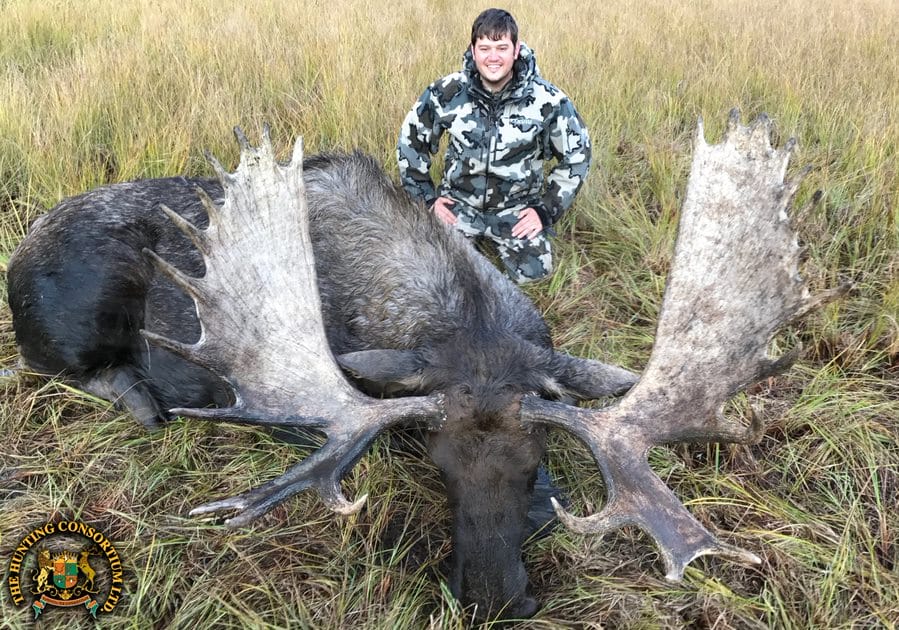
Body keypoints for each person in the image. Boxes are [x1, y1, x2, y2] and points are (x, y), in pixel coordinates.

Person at [397, 8, 592, 283]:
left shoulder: (548, 100)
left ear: (516, 49)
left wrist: (545, 210)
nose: (493, 57)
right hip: (459, 205)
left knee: (536, 274)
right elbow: (411, 143)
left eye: (502, 47)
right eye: (485, 47)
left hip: (516, 210)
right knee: (433, 274)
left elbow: (578, 155)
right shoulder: (446, 92)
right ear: (473, 50)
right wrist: (427, 199)